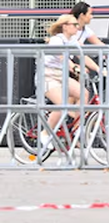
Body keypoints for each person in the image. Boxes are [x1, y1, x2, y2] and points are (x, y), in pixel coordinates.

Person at [39, 14, 92, 146]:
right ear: (65, 26)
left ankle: (77, 129)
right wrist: (74, 67)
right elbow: (62, 57)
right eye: (74, 24)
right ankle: (45, 133)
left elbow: (83, 56)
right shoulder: (56, 40)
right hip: (48, 76)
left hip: (62, 76)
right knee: (62, 104)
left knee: (83, 93)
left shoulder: (72, 40)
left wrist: (99, 69)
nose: (77, 27)